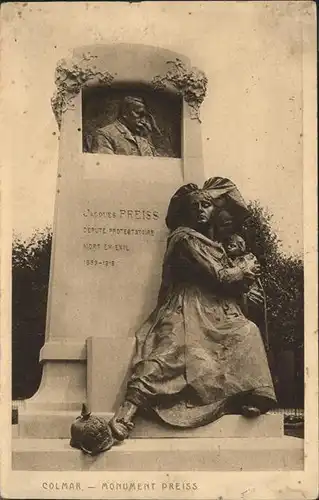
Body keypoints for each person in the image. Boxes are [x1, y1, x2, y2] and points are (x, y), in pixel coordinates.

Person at [109, 177, 277, 442]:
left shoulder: (221, 245)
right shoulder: (184, 239)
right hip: (185, 305)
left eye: (206, 205)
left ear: (215, 211)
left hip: (215, 309)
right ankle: (126, 413)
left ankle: (250, 396)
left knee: (247, 330)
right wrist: (242, 271)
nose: (200, 210)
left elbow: (229, 283)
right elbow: (218, 275)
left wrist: (247, 282)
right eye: (195, 207)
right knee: (168, 352)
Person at [90, 96, 160, 156]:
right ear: (125, 113)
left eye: (144, 116)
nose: (143, 120)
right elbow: (105, 165)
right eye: (138, 113)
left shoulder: (143, 136)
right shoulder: (104, 134)